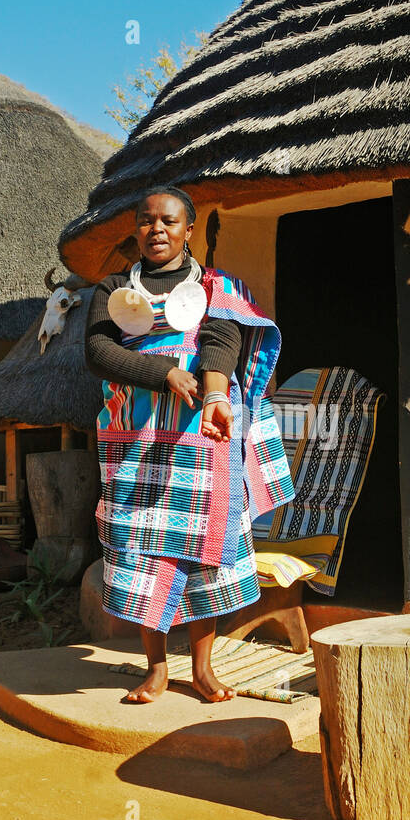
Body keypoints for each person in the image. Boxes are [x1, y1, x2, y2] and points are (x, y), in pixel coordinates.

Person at [83, 186, 295, 703]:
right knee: (142, 544)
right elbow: (97, 352)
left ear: (188, 229)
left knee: (204, 545)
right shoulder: (112, 288)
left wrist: (215, 396)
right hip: (132, 434)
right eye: (146, 220)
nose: (157, 229)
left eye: (169, 221)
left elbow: (223, 341)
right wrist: (163, 375)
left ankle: (202, 670)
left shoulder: (217, 286)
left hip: (203, 431)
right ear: (135, 229)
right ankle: (155, 669)